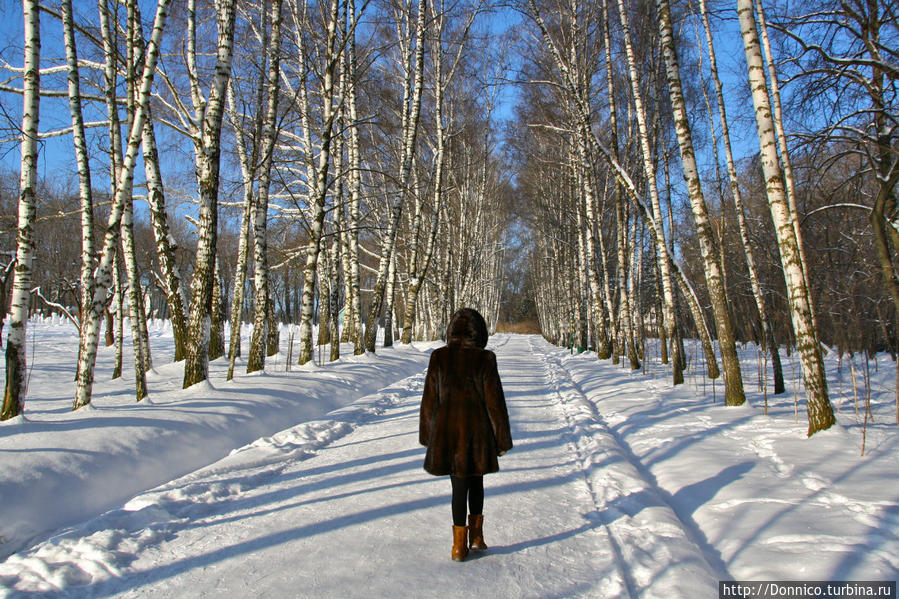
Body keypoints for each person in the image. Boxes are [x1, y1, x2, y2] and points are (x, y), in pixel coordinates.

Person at [419, 308, 513, 562]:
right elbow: (495, 403)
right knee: (477, 481)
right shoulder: (485, 358)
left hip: (447, 435)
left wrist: (428, 436)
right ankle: (477, 536)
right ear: (479, 332)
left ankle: (459, 547)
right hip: (478, 434)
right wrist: (501, 439)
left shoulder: (438, 357)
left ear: (451, 332)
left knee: (458, 486)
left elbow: (430, 400)